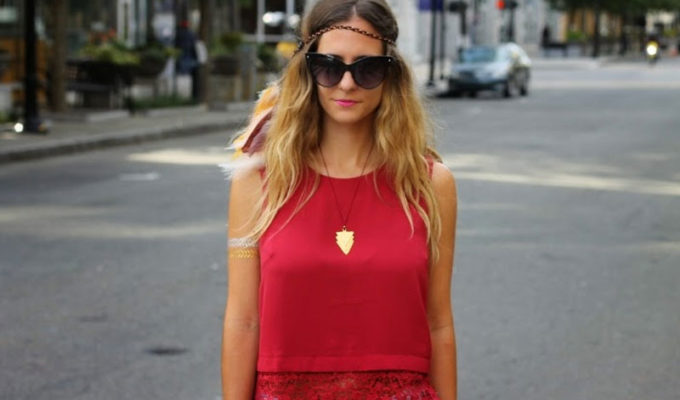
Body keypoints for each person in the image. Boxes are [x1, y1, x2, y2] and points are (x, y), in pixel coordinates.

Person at [221, 0, 458, 398]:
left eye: (367, 69)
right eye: (329, 66)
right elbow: (243, 321)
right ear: (307, 70)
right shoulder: (256, 181)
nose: (347, 84)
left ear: (390, 75)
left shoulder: (431, 184)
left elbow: (439, 323)